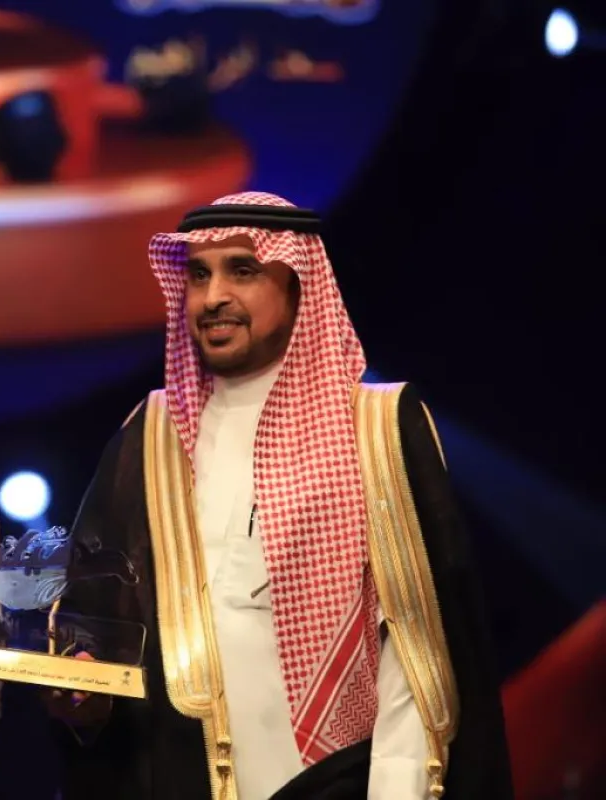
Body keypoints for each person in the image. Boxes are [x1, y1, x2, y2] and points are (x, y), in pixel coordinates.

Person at [46, 192, 513, 799]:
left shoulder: (376, 426)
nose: (213, 297)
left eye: (242, 271)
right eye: (198, 275)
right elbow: (94, 614)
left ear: (298, 285)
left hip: (343, 781)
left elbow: (415, 647)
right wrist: (81, 685)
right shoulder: (152, 433)